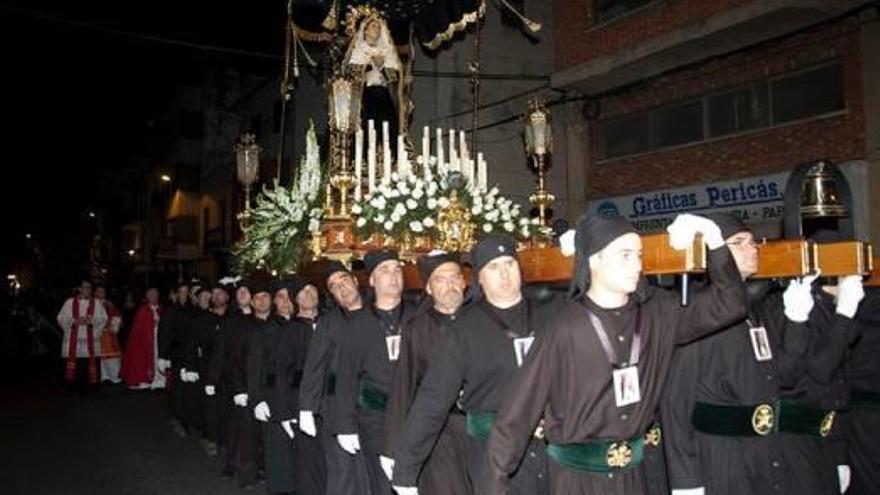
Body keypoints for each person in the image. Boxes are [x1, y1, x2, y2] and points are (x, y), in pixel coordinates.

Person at [482, 213, 748, 495]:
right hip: (577, 482)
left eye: (639, 255)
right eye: (625, 255)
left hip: (635, 476)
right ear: (594, 260)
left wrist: (714, 240)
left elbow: (731, 303)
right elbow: (516, 416)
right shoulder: (564, 328)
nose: (636, 265)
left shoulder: (658, 314)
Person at [661, 214, 861, 495]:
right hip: (721, 454)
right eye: (739, 242)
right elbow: (675, 402)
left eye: (753, 241)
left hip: (763, 452)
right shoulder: (699, 311)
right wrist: (686, 482)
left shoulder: (758, 309)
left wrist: (795, 320)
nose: (752, 247)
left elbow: (786, 378)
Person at [392, 236, 554, 495]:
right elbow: (432, 400)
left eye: (509, 263)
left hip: (550, 450)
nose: (504, 274)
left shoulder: (551, 317)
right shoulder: (464, 330)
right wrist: (405, 469)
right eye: (493, 267)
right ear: (479, 277)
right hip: (493, 458)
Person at [382, 251, 470, 495]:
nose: (450, 285)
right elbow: (403, 386)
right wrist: (392, 448)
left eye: (455, 278)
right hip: (440, 430)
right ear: (429, 288)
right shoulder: (417, 328)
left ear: (464, 282)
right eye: (441, 280)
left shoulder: (480, 320)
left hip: (481, 428)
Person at [335, 249, 417, 495]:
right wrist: (345, 425)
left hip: (414, 416)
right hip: (374, 419)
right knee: (383, 485)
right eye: (384, 270)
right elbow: (346, 376)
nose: (393, 276)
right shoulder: (357, 323)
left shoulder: (417, 318)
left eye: (397, 269)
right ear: (371, 280)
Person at [298, 261, 371, 495]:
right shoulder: (329, 322)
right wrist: (307, 408)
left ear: (355, 280)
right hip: (336, 411)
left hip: (374, 411)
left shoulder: (376, 315)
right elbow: (314, 366)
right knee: (343, 477)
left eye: (344, 280)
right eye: (333, 286)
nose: (342, 288)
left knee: (370, 476)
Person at [277, 279, 326, 495]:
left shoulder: (330, 323)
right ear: (295, 300)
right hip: (300, 403)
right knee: (307, 461)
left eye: (312, 290)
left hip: (332, 402)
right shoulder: (289, 330)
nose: (308, 295)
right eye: (302, 292)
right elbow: (281, 373)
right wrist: (286, 412)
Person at [343, 13, 402, 145]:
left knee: (389, 126)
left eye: (379, 27)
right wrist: (368, 66)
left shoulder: (385, 51)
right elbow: (350, 73)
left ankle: (388, 158)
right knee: (365, 127)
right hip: (364, 95)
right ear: (365, 30)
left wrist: (382, 68)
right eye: (374, 26)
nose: (377, 29)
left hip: (383, 95)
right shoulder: (358, 49)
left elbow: (393, 78)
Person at [57, 279, 108, 395]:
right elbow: (61, 318)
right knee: (77, 364)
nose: (88, 290)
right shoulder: (69, 303)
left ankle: (92, 387)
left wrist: (91, 320)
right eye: (85, 287)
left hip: (91, 339)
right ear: (79, 289)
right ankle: (73, 388)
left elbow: (103, 319)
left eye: (90, 288)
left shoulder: (97, 303)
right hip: (73, 340)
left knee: (89, 362)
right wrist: (75, 321)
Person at [120, 287, 164, 390]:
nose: (153, 297)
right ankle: (145, 379)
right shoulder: (142, 310)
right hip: (146, 342)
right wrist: (153, 324)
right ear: (147, 297)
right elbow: (139, 328)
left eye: (155, 294)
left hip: (159, 340)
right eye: (151, 295)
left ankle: (159, 379)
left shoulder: (161, 309)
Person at [95, 285, 123, 384]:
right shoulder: (91, 305)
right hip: (96, 335)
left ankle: (115, 377)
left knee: (112, 356)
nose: (100, 293)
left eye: (102, 291)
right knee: (100, 358)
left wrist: (113, 326)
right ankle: (104, 377)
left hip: (108, 335)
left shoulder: (110, 304)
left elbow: (117, 316)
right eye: (98, 291)